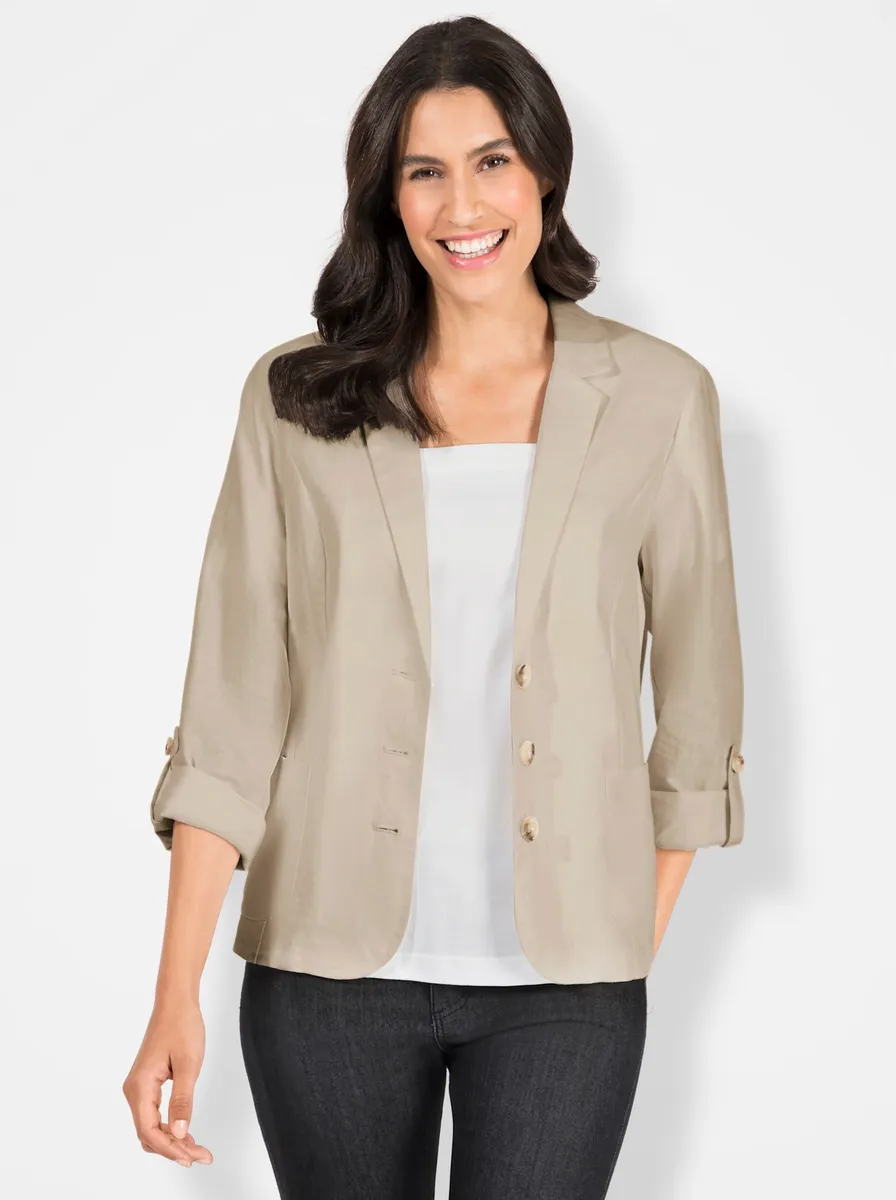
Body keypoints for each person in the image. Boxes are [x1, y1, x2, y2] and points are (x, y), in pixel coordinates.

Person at [122, 15, 746, 1199]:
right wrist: (173, 994)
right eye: (423, 171)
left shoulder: (659, 397)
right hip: (324, 975)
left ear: (545, 170)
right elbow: (229, 716)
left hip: (566, 989)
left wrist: (620, 934)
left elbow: (699, 710)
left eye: (491, 160)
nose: (461, 205)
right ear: (387, 195)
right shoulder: (294, 397)